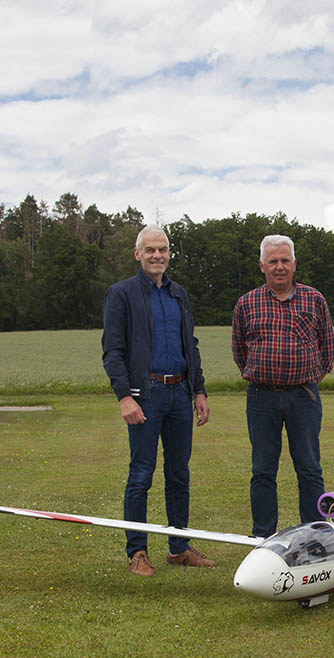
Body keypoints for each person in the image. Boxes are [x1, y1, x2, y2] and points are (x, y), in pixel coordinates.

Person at [102, 225, 215, 577]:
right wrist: (124, 396)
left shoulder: (178, 294)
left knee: (179, 474)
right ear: (138, 254)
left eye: (162, 250)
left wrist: (199, 390)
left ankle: (178, 547)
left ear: (169, 254)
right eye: (150, 250)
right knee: (141, 474)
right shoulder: (121, 294)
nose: (157, 255)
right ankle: (137, 550)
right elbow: (112, 351)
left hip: (180, 394)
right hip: (145, 397)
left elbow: (189, 345)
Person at [232, 234, 334, 538]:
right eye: (273, 261)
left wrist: (304, 380)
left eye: (285, 260)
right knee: (263, 470)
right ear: (262, 265)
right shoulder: (247, 303)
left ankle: (315, 537)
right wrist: (264, 376)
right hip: (261, 398)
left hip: (303, 396)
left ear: (294, 264)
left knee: (309, 468)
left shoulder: (314, 299)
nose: (279, 267)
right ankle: (263, 537)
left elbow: (327, 353)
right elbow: (240, 352)